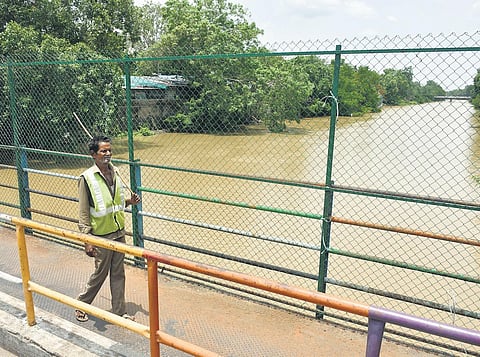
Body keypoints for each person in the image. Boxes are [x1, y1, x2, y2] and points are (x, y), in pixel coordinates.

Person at [75, 135, 141, 322]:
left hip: (119, 232)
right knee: (100, 273)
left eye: (109, 150)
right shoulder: (86, 178)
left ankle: (119, 311)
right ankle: (81, 304)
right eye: (103, 151)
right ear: (93, 154)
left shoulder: (116, 172)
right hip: (101, 235)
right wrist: (87, 240)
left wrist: (129, 202)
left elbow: (115, 203)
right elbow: (84, 212)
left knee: (118, 272)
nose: (108, 154)